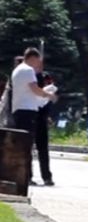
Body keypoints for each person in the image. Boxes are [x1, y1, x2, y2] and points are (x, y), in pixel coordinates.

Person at [11, 48, 57, 184]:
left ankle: (29, 176)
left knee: (25, 145)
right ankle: (27, 176)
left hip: (22, 110)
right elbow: (34, 89)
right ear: (33, 58)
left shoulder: (18, 70)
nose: (38, 64)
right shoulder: (28, 70)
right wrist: (49, 95)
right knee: (27, 145)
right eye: (37, 61)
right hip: (28, 111)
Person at [34, 72, 58, 186]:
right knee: (42, 150)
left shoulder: (38, 81)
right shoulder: (35, 81)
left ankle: (44, 176)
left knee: (37, 149)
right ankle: (46, 177)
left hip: (36, 118)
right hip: (38, 119)